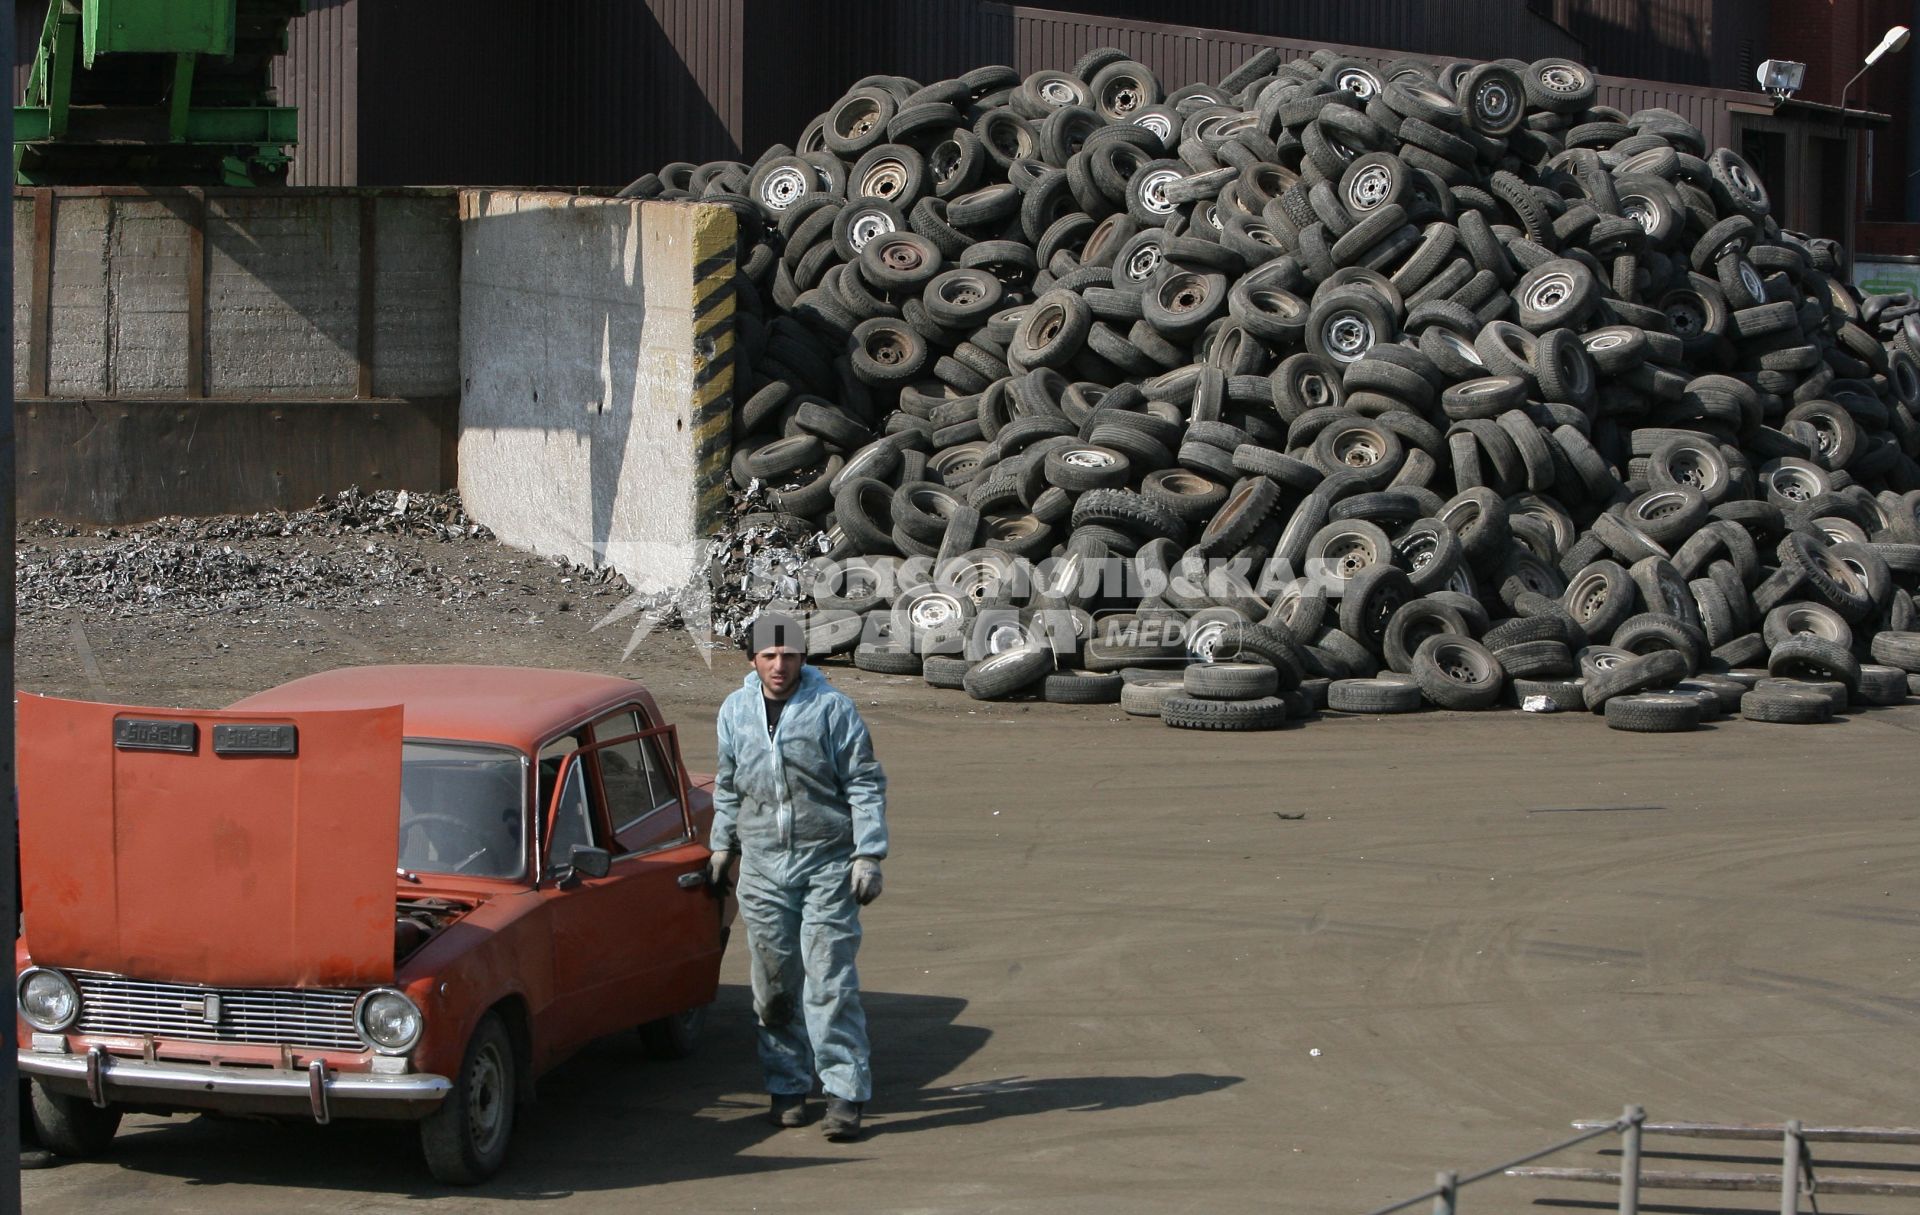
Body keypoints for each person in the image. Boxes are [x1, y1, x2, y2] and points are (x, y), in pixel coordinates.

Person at [709, 612, 888, 1141]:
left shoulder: (832, 710)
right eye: (769, 656)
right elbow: (726, 784)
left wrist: (868, 854)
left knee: (830, 982)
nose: (779, 665)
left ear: (802, 659)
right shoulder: (734, 711)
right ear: (753, 659)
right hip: (763, 868)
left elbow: (863, 782)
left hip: (826, 865)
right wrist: (723, 845)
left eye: (789, 656)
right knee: (773, 988)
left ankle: (844, 1094)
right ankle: (787, 1086)